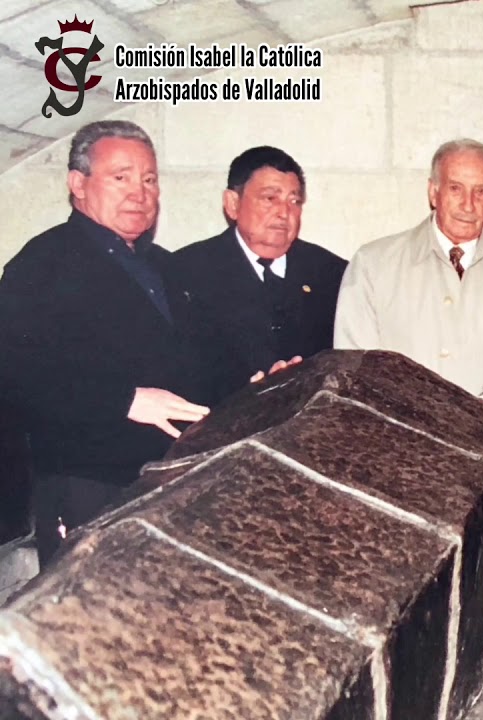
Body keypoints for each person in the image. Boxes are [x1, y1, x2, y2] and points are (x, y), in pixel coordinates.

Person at [333, 139, 483, 613]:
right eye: (456, 189)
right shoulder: (375, 264)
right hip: (403, 459)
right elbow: (355, 364)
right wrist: (420, 416)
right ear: (433, 191)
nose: (468, 203)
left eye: (480, 191)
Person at [0, 120, 210, 566]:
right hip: (87, 488)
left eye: (149, 180)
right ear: (78, 184)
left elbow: (193, 360)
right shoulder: (41, 264)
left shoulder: (167, 267)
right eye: (121, 177)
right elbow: (17, 374)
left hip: (170, 481)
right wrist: (124, 400)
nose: (139, 193)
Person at [170, 146, 347, 403]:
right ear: (233, 204)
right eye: (270, 198)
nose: (284, 212)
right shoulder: (187, 273)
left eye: (294, 201)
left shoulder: (331, 273)